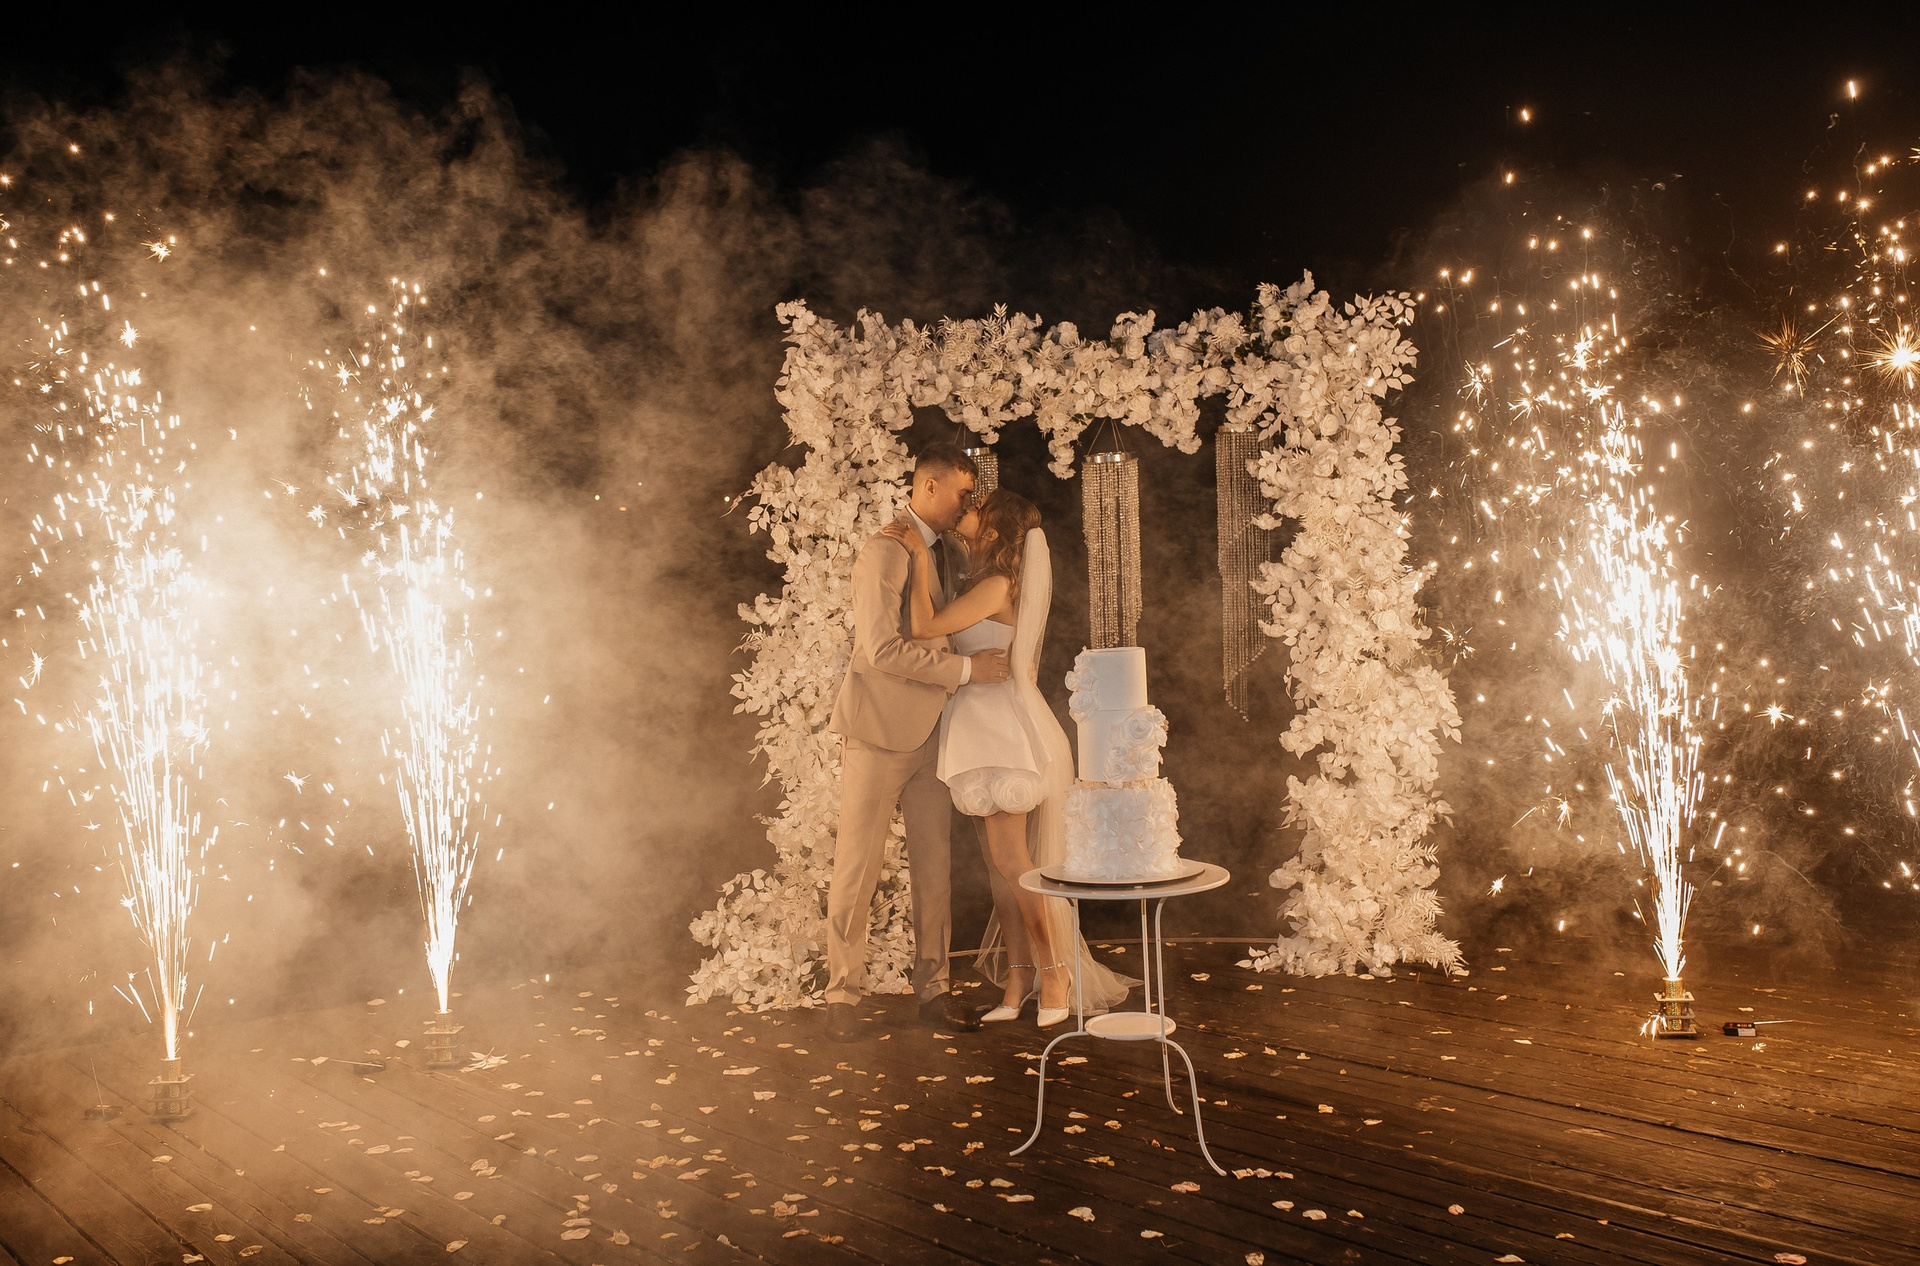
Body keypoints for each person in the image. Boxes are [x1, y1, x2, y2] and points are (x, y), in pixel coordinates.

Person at [883, 487, 1134, 1026]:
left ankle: (1054, 973)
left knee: (1015, 863)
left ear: (994, 529)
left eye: (976, 508)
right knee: (1000, 869)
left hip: (999, 729)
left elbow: (924, 627)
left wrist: (916, 557)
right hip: (975, 725)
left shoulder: (996, 585)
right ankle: (1018, 979)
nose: (965, 511)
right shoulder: (981, 580)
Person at [824, 444, 1009, 1042]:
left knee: (935, 871)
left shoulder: (949, 552)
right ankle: (841, 995)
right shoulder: (884, 549)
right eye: (962, 492)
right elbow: (881, 649)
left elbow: (940, 627)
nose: (967, 504)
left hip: (936, 734)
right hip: (879, 732)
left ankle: (935, 991)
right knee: (858, 868)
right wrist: (966, 672)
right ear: (929, 486)